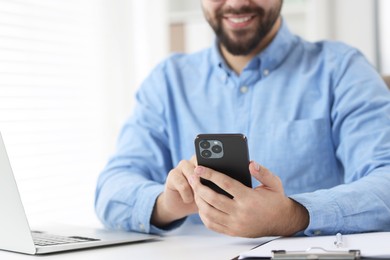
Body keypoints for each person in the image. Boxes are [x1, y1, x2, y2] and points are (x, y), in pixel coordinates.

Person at [95, 0, 390, 238]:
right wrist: (166, 203)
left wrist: (294, 214)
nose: (236, 3)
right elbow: (111, 189)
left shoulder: (342, 70)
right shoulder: (167, 82)